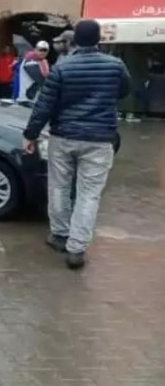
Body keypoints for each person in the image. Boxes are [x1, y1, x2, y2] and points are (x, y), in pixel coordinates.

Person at [22, 19, 131, 270]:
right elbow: (124, 91)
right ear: (98, 39)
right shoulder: (115, 66)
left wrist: (31, 134)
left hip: (64, 136)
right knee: (89, 194)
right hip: (100, 138)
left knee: (59, 187)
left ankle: (60, 234)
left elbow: (45, 104)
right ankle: (76, 248)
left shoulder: (62, 67)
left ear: (75, 41)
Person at [17, 40, 50, 105]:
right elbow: (41, 80)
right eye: (40, 50)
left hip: (31, 99)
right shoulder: (30, 61)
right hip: (26, 99)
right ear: (35, 50)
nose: (42, 52)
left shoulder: (40, 61)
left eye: (45, 50)